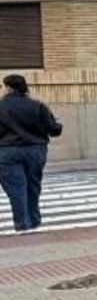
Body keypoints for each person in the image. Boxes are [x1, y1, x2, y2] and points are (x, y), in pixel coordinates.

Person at [0, 74, 61, 232]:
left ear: (8, 87)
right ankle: (34, 219)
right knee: (33, 184)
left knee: (16, 187)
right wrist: (58, 124)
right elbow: (53, 129)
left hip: (7, 151)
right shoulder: (37, 106)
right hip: (35, 149)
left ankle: (22, 223)